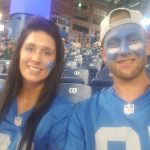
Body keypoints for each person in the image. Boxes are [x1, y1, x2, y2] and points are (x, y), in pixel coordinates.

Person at [64, 8, 150, 150]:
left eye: (133, 39)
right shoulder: (83, 112)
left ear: (148, 45)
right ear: (103, 54)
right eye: (113, 43)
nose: (124, 50)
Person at [0, 16, 74, 150]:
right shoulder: (2, 95)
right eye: (30, 48)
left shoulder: (63, 112)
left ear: (55, 62)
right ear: (19, 52)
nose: (36, 59)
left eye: (47, 53)